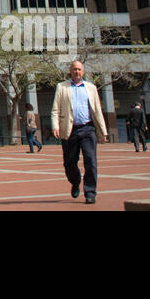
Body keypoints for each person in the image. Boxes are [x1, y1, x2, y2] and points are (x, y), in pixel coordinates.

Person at [51, 60, 109, 204]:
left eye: (79, 69)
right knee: (69, 163)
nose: (77, 72)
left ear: (83, 72)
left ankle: (90, 192)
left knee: (91, 161)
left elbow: (97, 111)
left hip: (88, 129)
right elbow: (55, 109)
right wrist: (55, 126)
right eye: (74, 69)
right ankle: (75, 181)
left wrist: (103, 130)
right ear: (70, 71)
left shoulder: (91, 88)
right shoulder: (62, 87)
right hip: (70, 131)